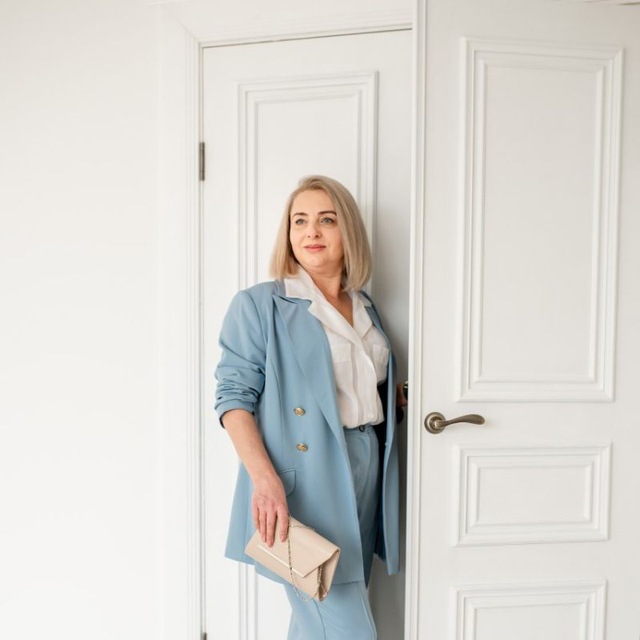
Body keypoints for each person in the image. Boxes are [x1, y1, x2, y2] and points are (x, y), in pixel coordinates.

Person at [214, 175, 405, 639]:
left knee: (316, 623)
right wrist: (265, 481)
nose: (311, 232)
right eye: (299, 221)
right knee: (345, 627)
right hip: (304, 480)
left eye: (326, 220)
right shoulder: (261, 305)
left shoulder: (365, 307)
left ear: (348, 231)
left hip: (366, 466)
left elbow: (357, 389)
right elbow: (233, 399)